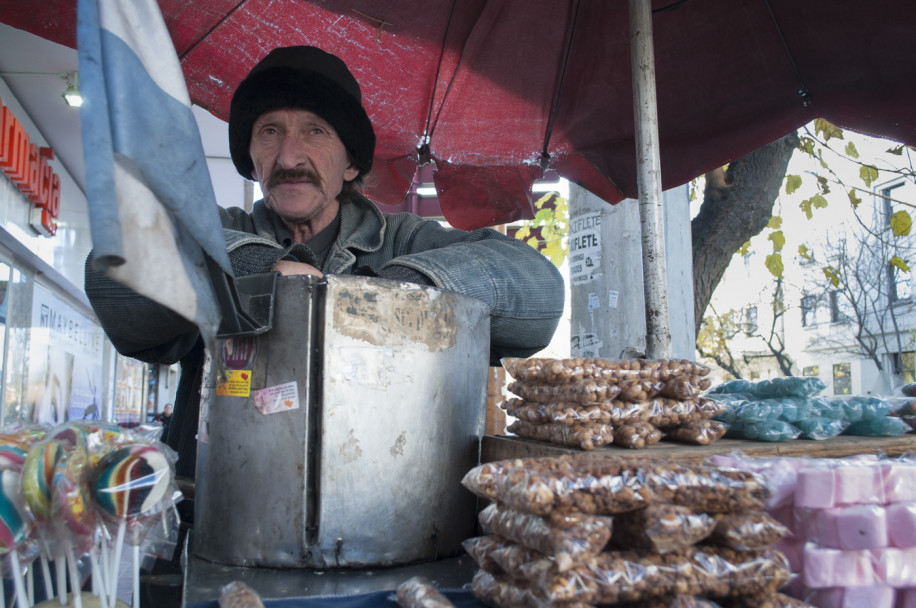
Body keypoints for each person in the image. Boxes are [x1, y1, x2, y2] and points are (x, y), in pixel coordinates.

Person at [84, 46, 565, 479]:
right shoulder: (214, 230)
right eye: (269, 132)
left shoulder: (404, 242)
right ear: (252, 159)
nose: (290, 155)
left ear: (350, 163)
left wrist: (378, 296)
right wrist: (259, 270)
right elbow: (114, 266)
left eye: (315, 131)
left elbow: (540, 291)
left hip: (386, 518)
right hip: (216, 522)